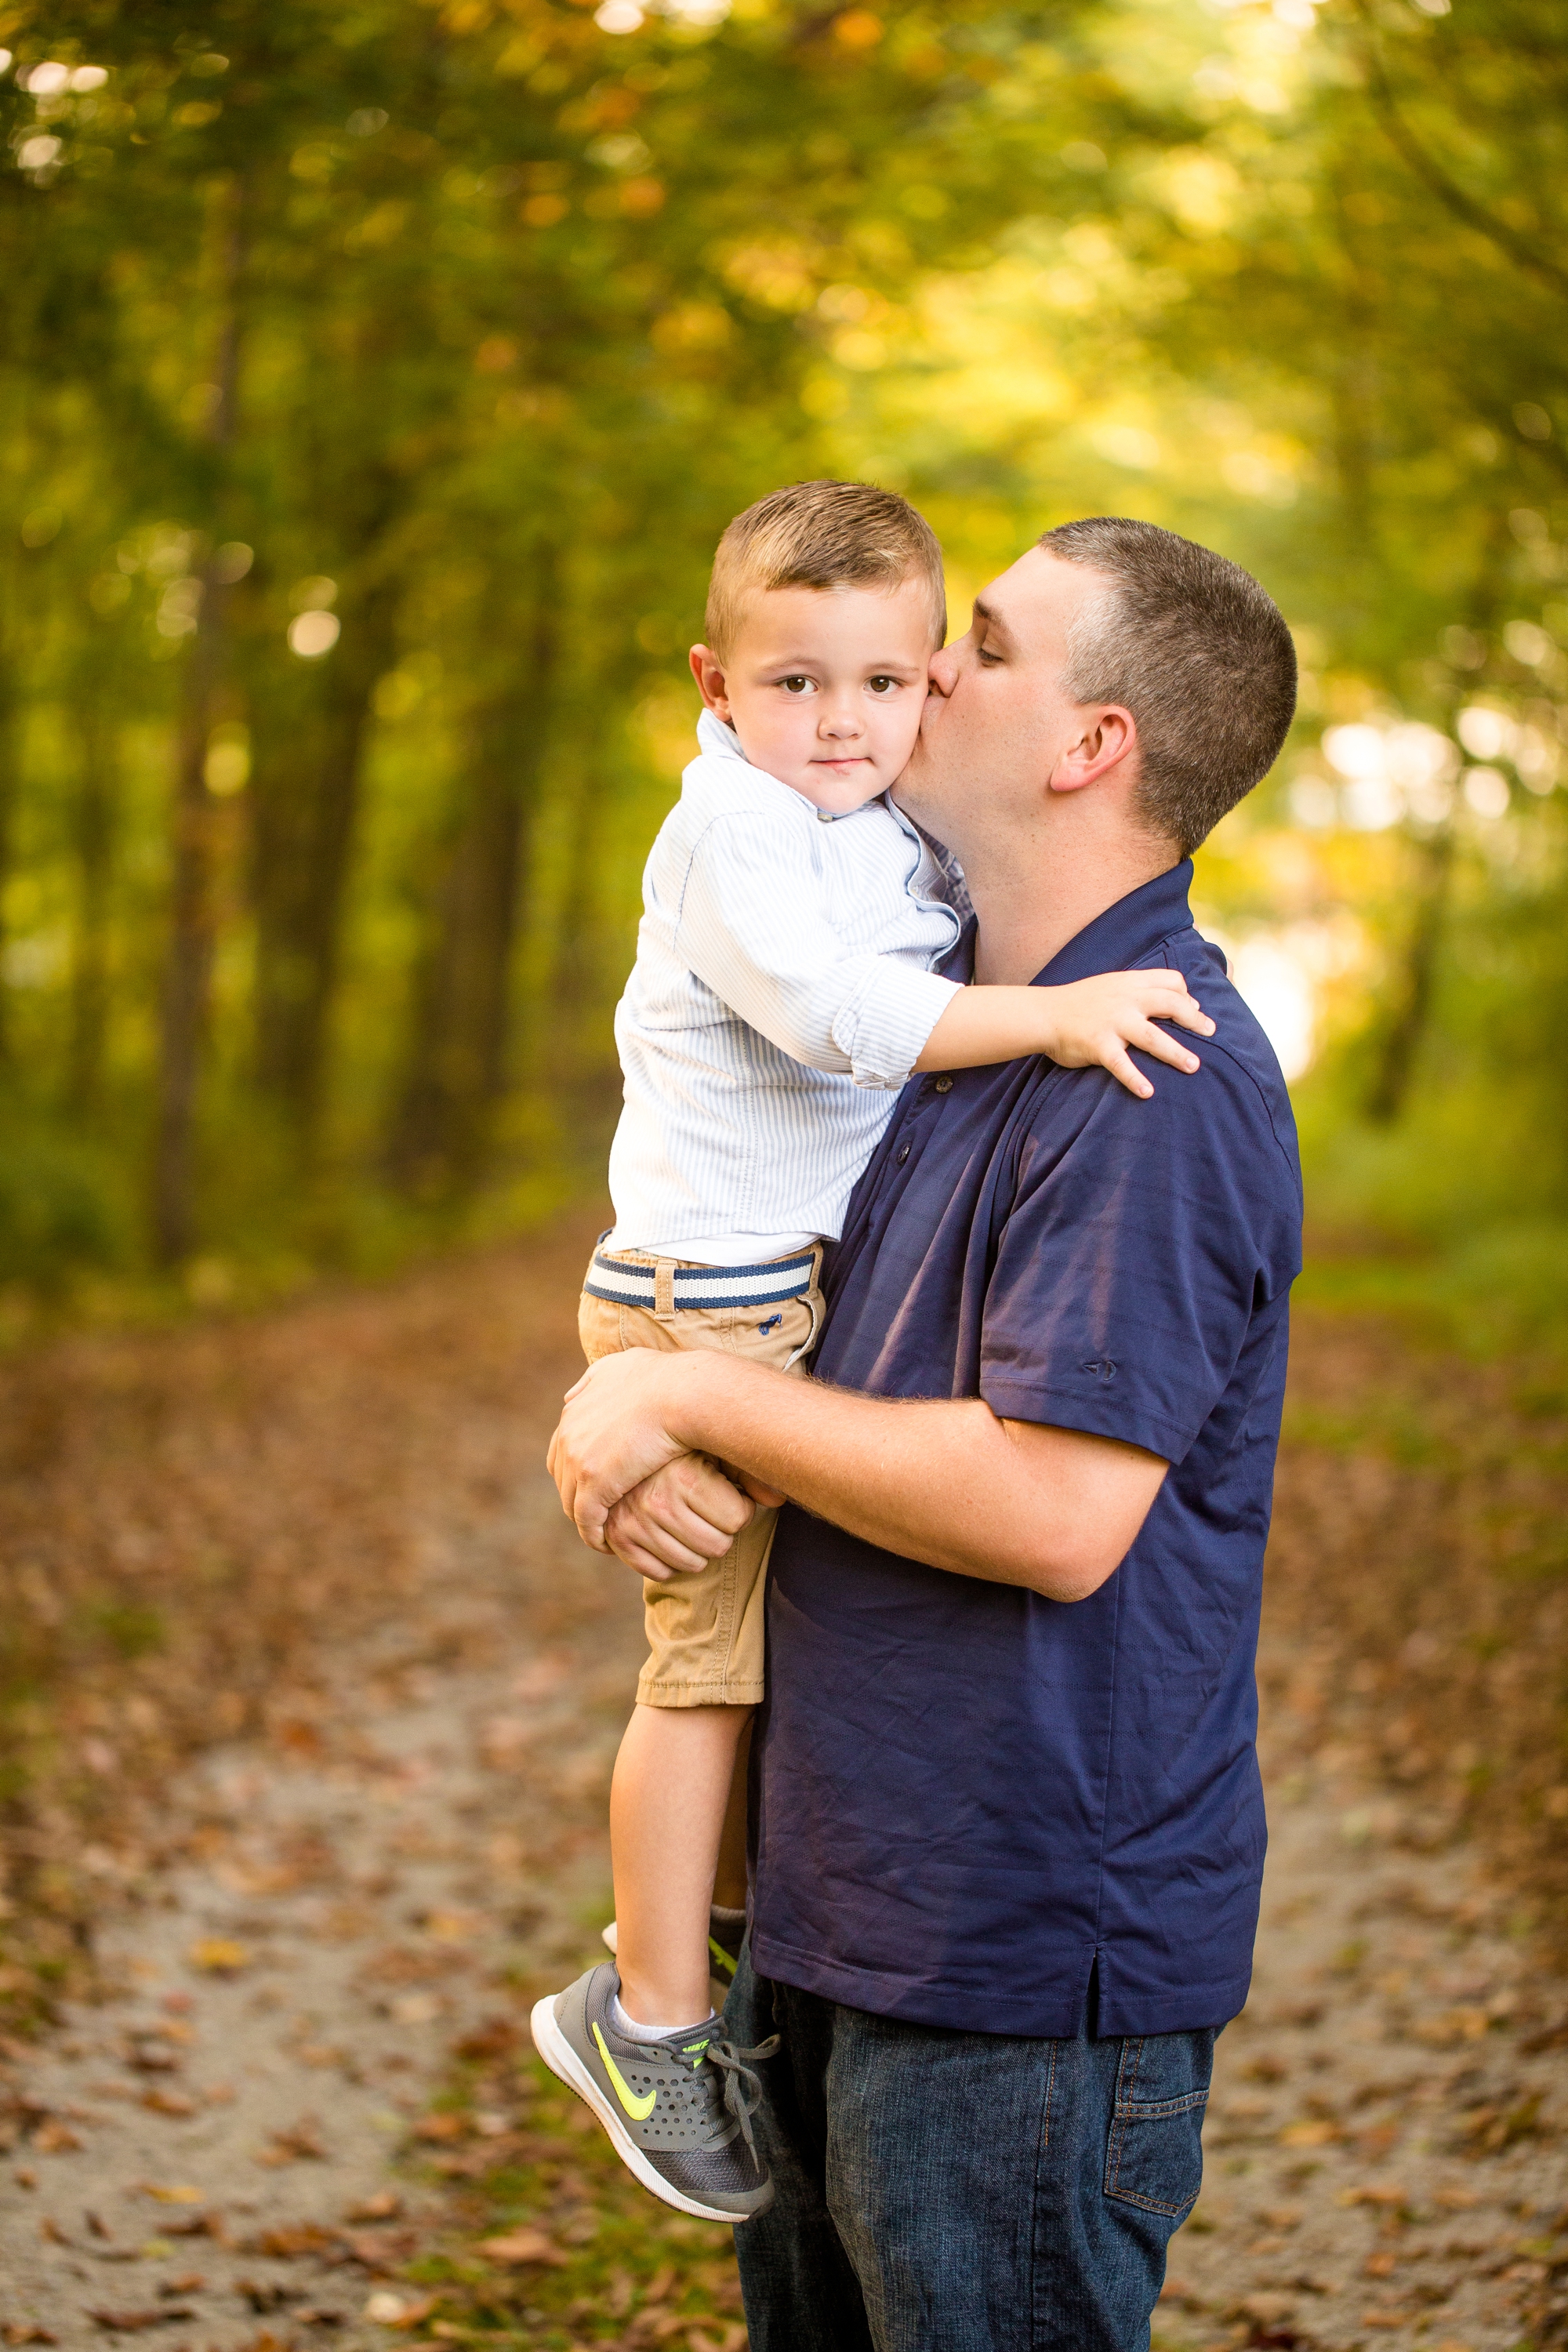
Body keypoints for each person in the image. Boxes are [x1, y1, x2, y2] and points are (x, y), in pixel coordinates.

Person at [546, 515, 1304, 2350]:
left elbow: (1054, 1510)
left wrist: (689, 1394)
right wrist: (630, 1401)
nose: (924, 671)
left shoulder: (1142, 1074)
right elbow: (751, 1287)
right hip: (838, 1919)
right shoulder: (952, 1021)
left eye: (976, 642)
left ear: (1088, 745)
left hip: (1007, 1971)